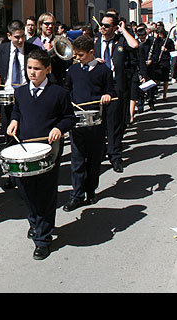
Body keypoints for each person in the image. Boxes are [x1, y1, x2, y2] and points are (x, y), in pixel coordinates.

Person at [6, 49, 76, 260]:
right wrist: (14, 120)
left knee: (45, 193)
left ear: (48, 69)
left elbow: (69, 118)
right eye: (29, 68)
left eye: (37, 68)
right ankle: (36, 222)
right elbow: (17, 110)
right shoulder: (20, 92)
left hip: (48, 149)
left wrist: (59, 128)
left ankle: (43, 239)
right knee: (26, 191)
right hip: (26, 150)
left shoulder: (59, 93)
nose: (32, 72)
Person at [64, 35, 115, 210]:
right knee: (77, 160)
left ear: (91, 53)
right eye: (76, 55)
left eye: (80, 55)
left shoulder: (104, 71)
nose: (77, 58)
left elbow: (111, 90)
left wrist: (107, 95)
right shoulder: (73, 71)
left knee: (94, 160)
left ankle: (91, 190)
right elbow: (67, 90)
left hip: (96, 122)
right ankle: (76, 195)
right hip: (77, 122)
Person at [94, 12, 138, 173]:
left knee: (115, 124)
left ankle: (115, 156)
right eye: (101, 25)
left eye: (107, 26)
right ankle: (101, 153)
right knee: (100, 124)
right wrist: (94, 61)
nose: (103, 28)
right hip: (99, 88)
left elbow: (134, 45)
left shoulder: (120, 41)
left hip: (116, 87)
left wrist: (124, 30)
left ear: (114, 27)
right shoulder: (96, 42)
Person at [0, 19, 39, 142]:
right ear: (9, 36)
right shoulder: (0, 49)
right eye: (17, 37)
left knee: (26, 124)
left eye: (23, 36)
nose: (21, 40)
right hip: (7, 91)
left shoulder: (32, 49)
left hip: (26, 91)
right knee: (10, 125)